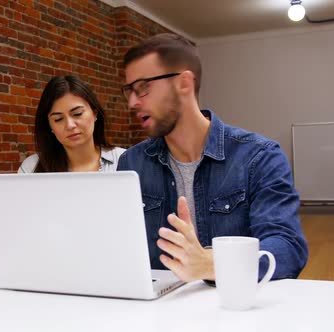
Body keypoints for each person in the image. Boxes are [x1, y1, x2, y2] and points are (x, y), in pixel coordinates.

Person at [117, 33, 308, 282]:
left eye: (143, 88)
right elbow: (122, 250)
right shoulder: (131, 164)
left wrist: (212, 265)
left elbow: (287, 248)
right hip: (159, 313)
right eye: (129, 90)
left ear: (184, 83)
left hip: (235, 311)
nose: (132, 102)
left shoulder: (259, 157)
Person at [18, 75, 125, 173]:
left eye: (77, 114)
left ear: (94, 113)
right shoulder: (31, 168)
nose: (70, 125)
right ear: (49, 125)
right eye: (58, 119)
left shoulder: (126, 159)